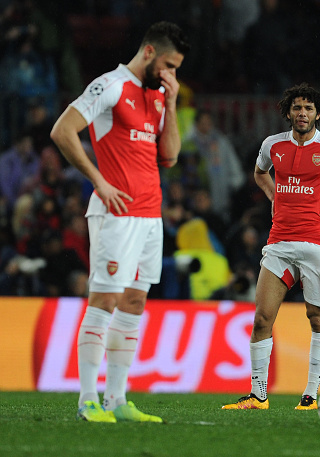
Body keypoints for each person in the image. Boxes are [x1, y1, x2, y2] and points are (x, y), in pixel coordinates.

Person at [50, 21, 190, 423]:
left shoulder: (159, 96)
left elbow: (171, 157)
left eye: (176, 69)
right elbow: (63, 130)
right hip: (115, 213)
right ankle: (87, 399)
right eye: (167, 65)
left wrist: (174, 98)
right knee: (105, 300)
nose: (170, 74)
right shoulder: (110, 85)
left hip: (149, 215)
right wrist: (98, 180)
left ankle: (117, 399)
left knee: (134, 302)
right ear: (148, 52)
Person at [222, 82, 320, 411]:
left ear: (317, 113)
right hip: (278, 244)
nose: (302, 113)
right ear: (288, 112)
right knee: (262, 319)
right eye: (297, 108)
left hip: (316, 246)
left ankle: (310, 396)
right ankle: (258, 395)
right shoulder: (272, 145)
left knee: (317, 317)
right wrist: (272, 194)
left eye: (308, 108)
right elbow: (259, 172)